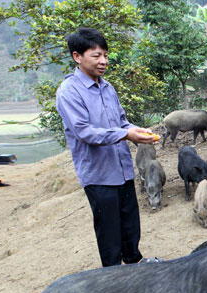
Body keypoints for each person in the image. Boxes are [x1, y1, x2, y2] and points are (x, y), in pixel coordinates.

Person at [56, 27, 160, 267]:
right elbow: (85, 132)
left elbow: (121, 123)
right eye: (96, 56)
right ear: (77, 56)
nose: (103, 61)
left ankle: (134, 261)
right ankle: (112, 276)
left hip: (121, 168)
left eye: (105, 55)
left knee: (130, 223)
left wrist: (137, 132)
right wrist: (125, 133)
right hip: (99, 174)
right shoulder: (69, 92)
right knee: (109, 231)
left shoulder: (107, 87)